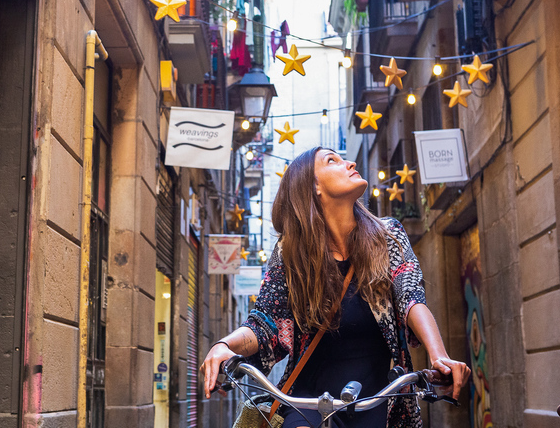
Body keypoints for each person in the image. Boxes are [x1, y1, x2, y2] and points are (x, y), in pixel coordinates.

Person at [200, 147, 470, 428]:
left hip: (378, 402)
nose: (350, 162)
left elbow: (410, 298)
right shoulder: (291, 253)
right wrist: (225, 345)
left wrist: (439, 356)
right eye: (333, 160)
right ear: (313, 186)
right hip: (308, 405)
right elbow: (265, 323)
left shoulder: (388, 235)